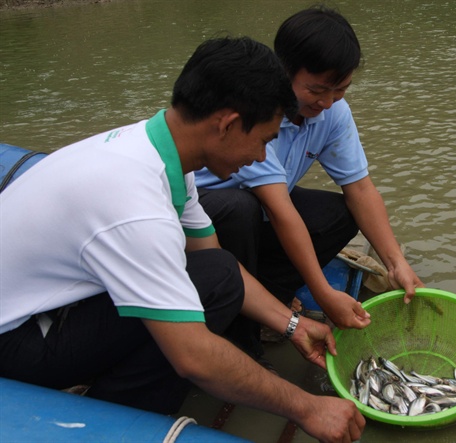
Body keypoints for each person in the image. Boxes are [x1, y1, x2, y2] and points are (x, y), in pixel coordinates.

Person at [0, 36, 364, 442]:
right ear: (227, 124)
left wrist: (293, 325)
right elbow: (194, 358)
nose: (263, 157)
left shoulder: (155, 149)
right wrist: (308, 407)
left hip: (44, 306)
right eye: (263, 139)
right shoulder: (134, 204)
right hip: (16, 341)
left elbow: (214, 259)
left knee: (219, 273)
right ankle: (120, 415)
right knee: (198, 321)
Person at [195, 6, 424, 337]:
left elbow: (360, 189)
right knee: (239, 209)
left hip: (267, 203)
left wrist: (395, 263)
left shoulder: (333, 113)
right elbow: (279, 210)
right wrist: (323, 293)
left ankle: (268, 299)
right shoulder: (258, 109)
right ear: (283, 72)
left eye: (340, 89)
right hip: (210, 212)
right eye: (317, 90)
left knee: (341, 213)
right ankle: (240, 335)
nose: (328, 102)